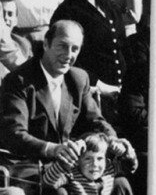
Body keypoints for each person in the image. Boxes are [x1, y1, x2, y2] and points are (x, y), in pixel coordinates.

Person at [0, 20, 124, 163]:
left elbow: (96, 121)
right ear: (46, 44)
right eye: (63, 46)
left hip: (73, 165)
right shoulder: (18, 81)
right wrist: (53, 149)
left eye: (75, 49)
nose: (68, 55)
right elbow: (14, 134)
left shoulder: (79, 79)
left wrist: (114, 140)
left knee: (120, 183)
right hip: (31, 166)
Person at [50, 0, 128, 124]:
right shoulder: (67, 11)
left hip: (121, 91)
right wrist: (99, 85)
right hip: (91, 93)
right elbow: (66, 59)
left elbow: (122, 45)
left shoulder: (108, 5)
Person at [43, 131, 138, 195]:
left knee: (122, 181)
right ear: (78, 160)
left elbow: (129, 166)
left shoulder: (109, 169)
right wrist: (63, 163)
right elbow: (48, 181)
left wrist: (126, 151)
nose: (95, 164)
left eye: (100, 158)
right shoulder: (72, 173)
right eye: (88, 159)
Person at [0, 0, 32, 82]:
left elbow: (29, 75)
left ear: (16, 20)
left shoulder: (24, 45)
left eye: (10, 14)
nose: (5, 18)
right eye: (2, 14)